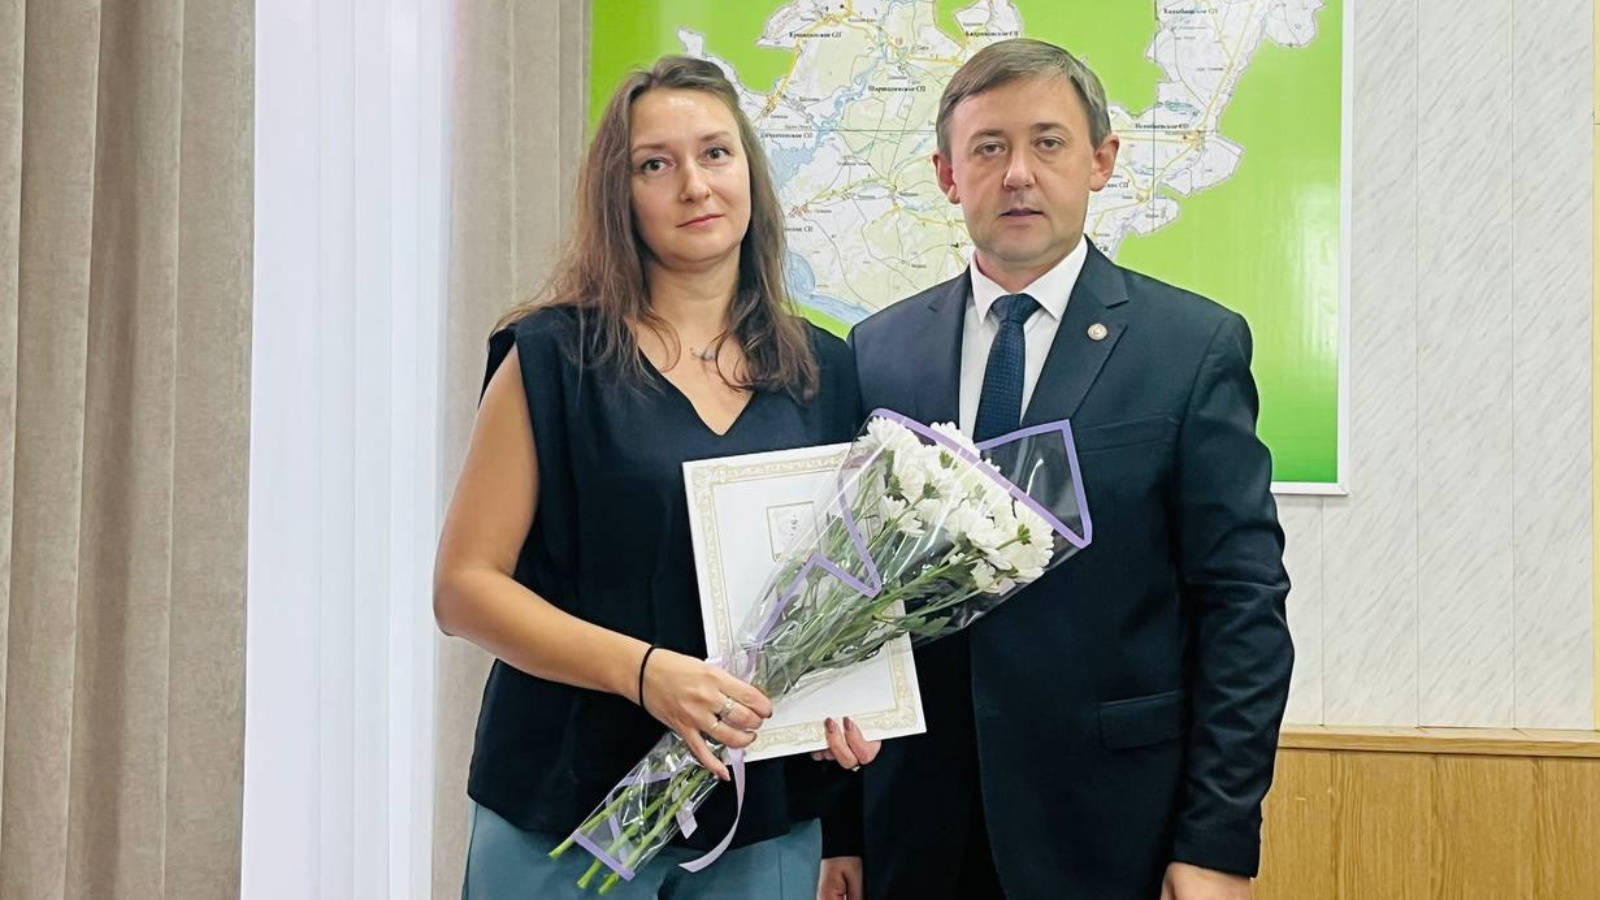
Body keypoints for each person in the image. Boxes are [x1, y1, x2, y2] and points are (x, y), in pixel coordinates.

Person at [820, 38, 1293, 900]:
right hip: (915, 830)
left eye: (1048, 142)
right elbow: (853, 600)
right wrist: (840, 830)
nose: (1017, 174)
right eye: (988, 148)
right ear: (946, 174)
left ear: (1101, 160)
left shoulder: (1190, 349)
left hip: (1113, 830)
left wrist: (1218, 841)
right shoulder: (878, 351)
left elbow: (1242, 609)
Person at [433, 55, 878, 900]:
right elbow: (463, 589)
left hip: (760, 815)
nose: (694, 185)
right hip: (566, 807)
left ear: (750, 173)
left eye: (716, 153)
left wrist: (852, 703)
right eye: (655, 164)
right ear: (621, 194)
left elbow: (834, 591)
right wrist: (645, 674)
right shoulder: (551, 358)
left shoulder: (826, 369)